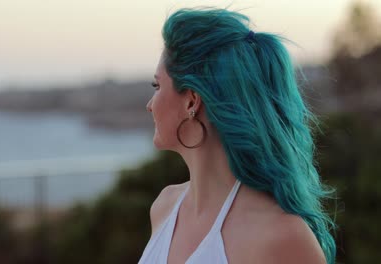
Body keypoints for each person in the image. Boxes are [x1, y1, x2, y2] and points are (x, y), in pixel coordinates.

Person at [139, 7, 336, 264]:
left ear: (192, 101)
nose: (149, 104)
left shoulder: (280, 236)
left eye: (157, 86)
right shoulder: (164, 208)